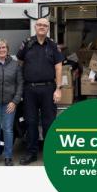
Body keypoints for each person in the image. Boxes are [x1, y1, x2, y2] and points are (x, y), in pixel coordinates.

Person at [16, 18, 64, 165]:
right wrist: (21, 86)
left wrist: (58, 89)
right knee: (30, 122)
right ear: (35, 27)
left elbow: (59, 67)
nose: (42, 27)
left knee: (49, 122)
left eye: (45, 25)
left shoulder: (53, 45)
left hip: (49, 89)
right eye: (39, 25)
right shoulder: (27, 44)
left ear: (48, 28)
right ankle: (31, 153)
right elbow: (20, 63)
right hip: (29, 89)